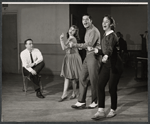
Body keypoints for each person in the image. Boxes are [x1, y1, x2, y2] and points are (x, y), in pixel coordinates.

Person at [91, 15, 123, 120]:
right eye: (102, 21)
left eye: (106, 21)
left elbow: (109, 48)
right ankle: (101, 110)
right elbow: (104, 49)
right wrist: (97, 51)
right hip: (106, 64)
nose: (103, 23)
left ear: (111, 24)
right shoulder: (104, 35)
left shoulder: (113, 35)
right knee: (100, 85)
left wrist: (106, 55)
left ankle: (113, 109)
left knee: (112, 88)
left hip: (115, 65)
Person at [70, 14, 101, 109]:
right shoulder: (88, 30)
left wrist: (75, 45)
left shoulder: (94, 31)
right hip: (88, 55)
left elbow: (89, 44)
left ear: (91, 20)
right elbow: (87, 46)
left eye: (87, 19)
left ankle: (95, 101)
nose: (84, 21)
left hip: (94, 55)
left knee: (93, 79)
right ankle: (81, 101)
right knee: (82, 77)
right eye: (83, 20)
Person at [58, 25, 82, 102]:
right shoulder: (70, 38)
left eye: (73, 30)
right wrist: (61, 39)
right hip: (69, 57)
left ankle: (65, 94)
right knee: (71, 77)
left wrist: (61, 39)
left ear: (75, 32)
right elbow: (64, 47)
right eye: (70, 29)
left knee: (69, 77)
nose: (71, 31)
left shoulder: (72, 38)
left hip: (73, 58)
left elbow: (64, 47)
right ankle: (74, 93)